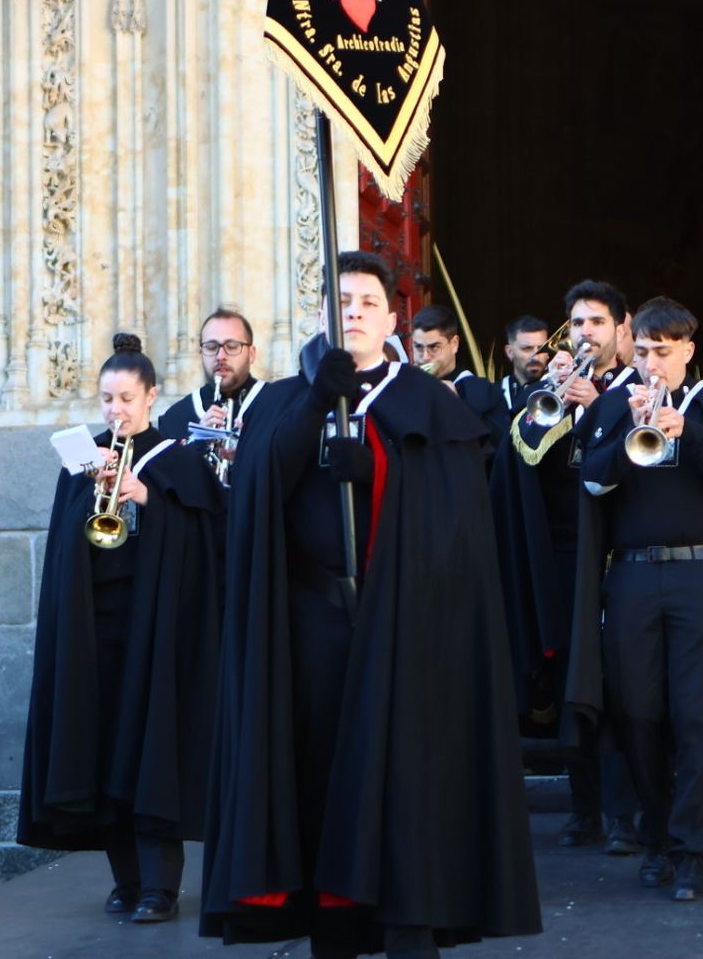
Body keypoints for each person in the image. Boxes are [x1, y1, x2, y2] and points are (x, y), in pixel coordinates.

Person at [200, 252, 540, 959]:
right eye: (340, 299)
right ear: (323, 316)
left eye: (366, 300)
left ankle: (411, 928)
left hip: (409, 631)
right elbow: (257, 489)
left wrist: (384, 467)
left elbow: (456, 530)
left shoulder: (429, 406)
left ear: (393, 318)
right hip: (317, 632)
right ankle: (335, 932)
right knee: (326, 789)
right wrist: (319, 404)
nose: (352, 310)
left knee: (406, 792)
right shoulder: (292, 399)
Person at [564, 296, 703, 902]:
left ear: (688, 350)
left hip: (698, 578)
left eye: (664, 351)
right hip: (629, 579)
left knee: (694, 718)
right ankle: (655, 838)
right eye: (645, 351)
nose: (652, 364)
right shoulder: (612, 404)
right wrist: (631, 427)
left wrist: (693, 435)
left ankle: (693, 852)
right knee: (640, 716)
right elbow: (595, 481)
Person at [18, 333, 222, 924]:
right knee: (103, 747)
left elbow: (206, 545)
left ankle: (161, 886)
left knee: (152, 750)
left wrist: (148, 499)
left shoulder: (176, 461)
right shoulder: (85, 460)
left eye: (127, 398)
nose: (116, 411)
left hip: (155, 632)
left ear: (152, 397)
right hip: (97, 629)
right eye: (107, 399)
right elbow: (66, 549)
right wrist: (94, 491)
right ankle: (126, 880)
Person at [490, 279, 641, 855]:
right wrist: (554, 401)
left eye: (597, 322)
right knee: (571, 679)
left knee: (623, 683)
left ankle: (626, 809)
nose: (585, 333)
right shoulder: (548, 390)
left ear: (620, 329)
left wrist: (595, 406)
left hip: (619, 550)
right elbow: (518, 458)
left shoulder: (636, 390)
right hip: (560, 554)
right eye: (577, 323)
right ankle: (585, 807)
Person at [158, 308, 272, 494]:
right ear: (201, 353)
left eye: (232, 346)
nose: (220, 356)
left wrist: (256, 446)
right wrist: (196, 443)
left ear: (251, 354)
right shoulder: (175, 418)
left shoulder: (276, 403)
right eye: (211, 347)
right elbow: (165, 489)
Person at [410, 303, 510, 449]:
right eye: (418, 347)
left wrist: (457, 407)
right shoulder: (406, 387)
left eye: (434, 347)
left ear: (454, 344)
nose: (424, 357)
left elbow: (499, 449)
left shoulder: (484, 392)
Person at [498, 314, 551, 413]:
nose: (536, 356)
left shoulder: (560, 388)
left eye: (542, 348)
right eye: (527, 348)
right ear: (509, 352)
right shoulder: (494, 393)